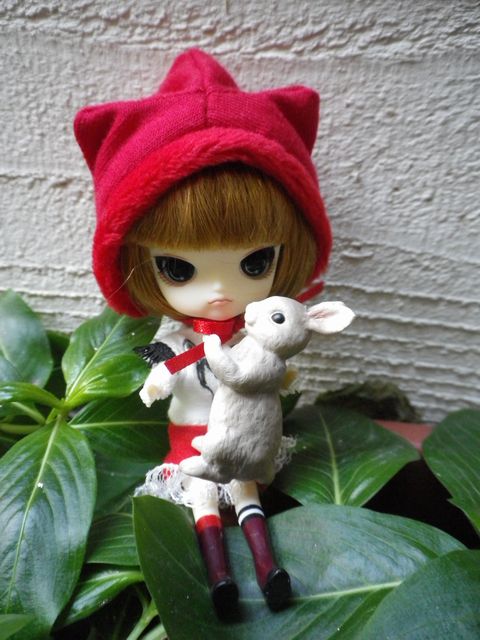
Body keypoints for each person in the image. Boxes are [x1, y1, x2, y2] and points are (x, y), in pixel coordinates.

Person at [74, 48, 332, 614]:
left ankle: (268, 569)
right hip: (190, 435)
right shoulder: (179, 341)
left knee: (246, 492)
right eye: (178, 268)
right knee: (201, 499)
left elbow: (275, 372)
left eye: (255, 262)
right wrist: (159, 379)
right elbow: (168, 368)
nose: (218, 293)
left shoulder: (256, 332)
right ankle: (219, 578)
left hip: (245, 436)